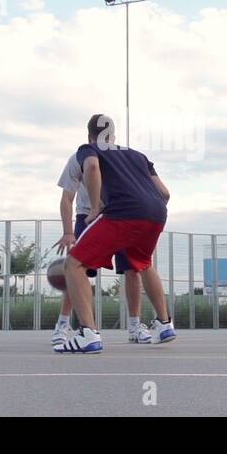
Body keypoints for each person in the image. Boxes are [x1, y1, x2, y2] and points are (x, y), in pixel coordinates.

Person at [54, 114, 176, 354]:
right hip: (156, 213)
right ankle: (164, 325)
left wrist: (98, 206)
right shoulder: (137, 155)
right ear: (113, 136)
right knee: (143, 263)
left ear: (90, 135)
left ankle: (88, 333)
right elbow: (165, 193)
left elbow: (91, 165)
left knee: (73, 264)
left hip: (122, 213)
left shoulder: (88, 149)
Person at [52, 148, 152, 346]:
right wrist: (68, 232)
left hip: (121, 215)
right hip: (88, 216)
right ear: (90, 139)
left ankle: (134, 326)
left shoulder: (123, 160)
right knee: (76, 270)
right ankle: (63, 324)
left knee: (133, 269)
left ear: (113, 140)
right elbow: (67, 198)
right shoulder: (78, 159)